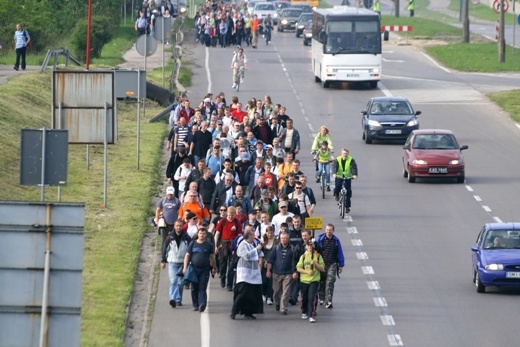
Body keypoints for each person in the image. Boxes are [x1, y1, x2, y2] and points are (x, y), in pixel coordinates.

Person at [230, 228, 264, 320]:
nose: (254, 237)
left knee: (252, 294)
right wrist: (256, 249)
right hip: (245, 273)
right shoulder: (242, 245)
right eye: (253, 235)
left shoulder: (252, 244)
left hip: (253, 272)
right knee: (242, 293)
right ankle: (234, 311)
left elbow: (259, 254)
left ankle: (248, 312)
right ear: (249, 236)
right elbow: (246, 256)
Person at [183, 228, 217, 312]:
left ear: (206, 235)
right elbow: (187, 256)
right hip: (194, 269)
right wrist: (185, 267)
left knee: (202, 287)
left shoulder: (209, 245)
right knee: (194, 288)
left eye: (204, 233)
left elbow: (212, 257)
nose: (202, 235)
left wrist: (214, 267)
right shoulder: (192, 243)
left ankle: (202, 304)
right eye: (200, 233)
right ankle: (195, 304)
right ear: (197, 234)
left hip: (205, 269)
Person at [161, 219, 192, 307]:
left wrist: (190, 261)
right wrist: (163, 260)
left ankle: (178, 299)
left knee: (180, 282)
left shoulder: (187, 237)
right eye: (177, 225)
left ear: (183, 226)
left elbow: (190, 250)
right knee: (173, 280)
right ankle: (173, 299)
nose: (178, 227)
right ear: (174, 226)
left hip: (183, 262)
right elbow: (164, 249)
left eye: (180, 226)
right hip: (172, 262)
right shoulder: (169, 237)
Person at [266, 232, 297, 315]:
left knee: (286, 291)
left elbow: (295, 262)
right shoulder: (276, 248)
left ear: (288, 239)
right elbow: (270, 260)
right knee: (276, 291)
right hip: (276, 273)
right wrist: (268, 271)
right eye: (282, 238)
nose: (283, 240)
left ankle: (283, 309)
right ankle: (278, 303)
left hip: (288, 273)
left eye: (285, 238)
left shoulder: (292, 249)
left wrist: (294, 272)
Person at [316, 223, 345, 309]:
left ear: (333, 231)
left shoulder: (336, 241)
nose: (328, 232)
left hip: (332, 263)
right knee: (321, 281)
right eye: (327, 230)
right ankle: (321, 298)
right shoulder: (319, 239)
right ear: (325, 230)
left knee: (330, 281)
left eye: (330, 230)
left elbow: (340, 252)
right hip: (321, 264)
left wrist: (341, 265)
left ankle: (329, 301)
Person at [214, 206, 243, 290]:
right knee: (223, 264)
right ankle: (222, 278)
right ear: (227, 214)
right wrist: (215, 246)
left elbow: (239, 236)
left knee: (232, 265)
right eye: (229, 215)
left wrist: (237, 247)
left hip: (233, 245)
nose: (231, 217)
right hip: (223, 245)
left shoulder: (237, 223)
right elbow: (217, 234)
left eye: (233, 215)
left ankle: (229, 284)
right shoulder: (222, 222)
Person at [296, 240, 325, 323]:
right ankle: (304, 311)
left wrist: (315, 264)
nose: (309, 247)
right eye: (308, 246)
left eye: (311, 245)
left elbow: (322, 268)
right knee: (304, 298)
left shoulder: (318, 256)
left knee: (312, 297)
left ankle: (311, 314)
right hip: (304, 280)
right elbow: (298, 268)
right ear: (306, 247)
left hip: (314, 280)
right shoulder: (303, 256)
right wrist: (307, 272)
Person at [332, 148, 358, 213]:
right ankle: (336, 195)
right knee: (337, 186)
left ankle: (347, 207)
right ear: (341, 154)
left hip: (347, 177)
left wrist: (354, 175)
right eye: (344, 153)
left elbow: (354, 167)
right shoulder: (337, 159)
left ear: (348, 154)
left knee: (348, 192)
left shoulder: (351, 160)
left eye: (346, 153)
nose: (345, 155)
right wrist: (334, 173)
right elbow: (334, 166)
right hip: (339, 176)